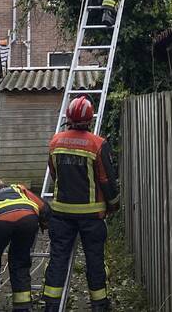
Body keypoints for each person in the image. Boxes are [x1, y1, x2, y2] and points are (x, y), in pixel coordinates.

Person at [42, 96, 120, 311]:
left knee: (58, 259)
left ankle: (51, 304)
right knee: (94, 261)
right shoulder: (97, 144)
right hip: (91, 217)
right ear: (89, 119)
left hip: (61, 214)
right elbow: (106, 180)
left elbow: (54, 174)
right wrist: (113, 205)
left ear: (68, 117)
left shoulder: (55, 142)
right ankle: (99, 305)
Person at [0, 177, 48, 312]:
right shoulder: (19, 189)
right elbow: (44, 208)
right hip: (28, 219)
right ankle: (23, 307)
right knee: (20, 261)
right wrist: (50, 227)